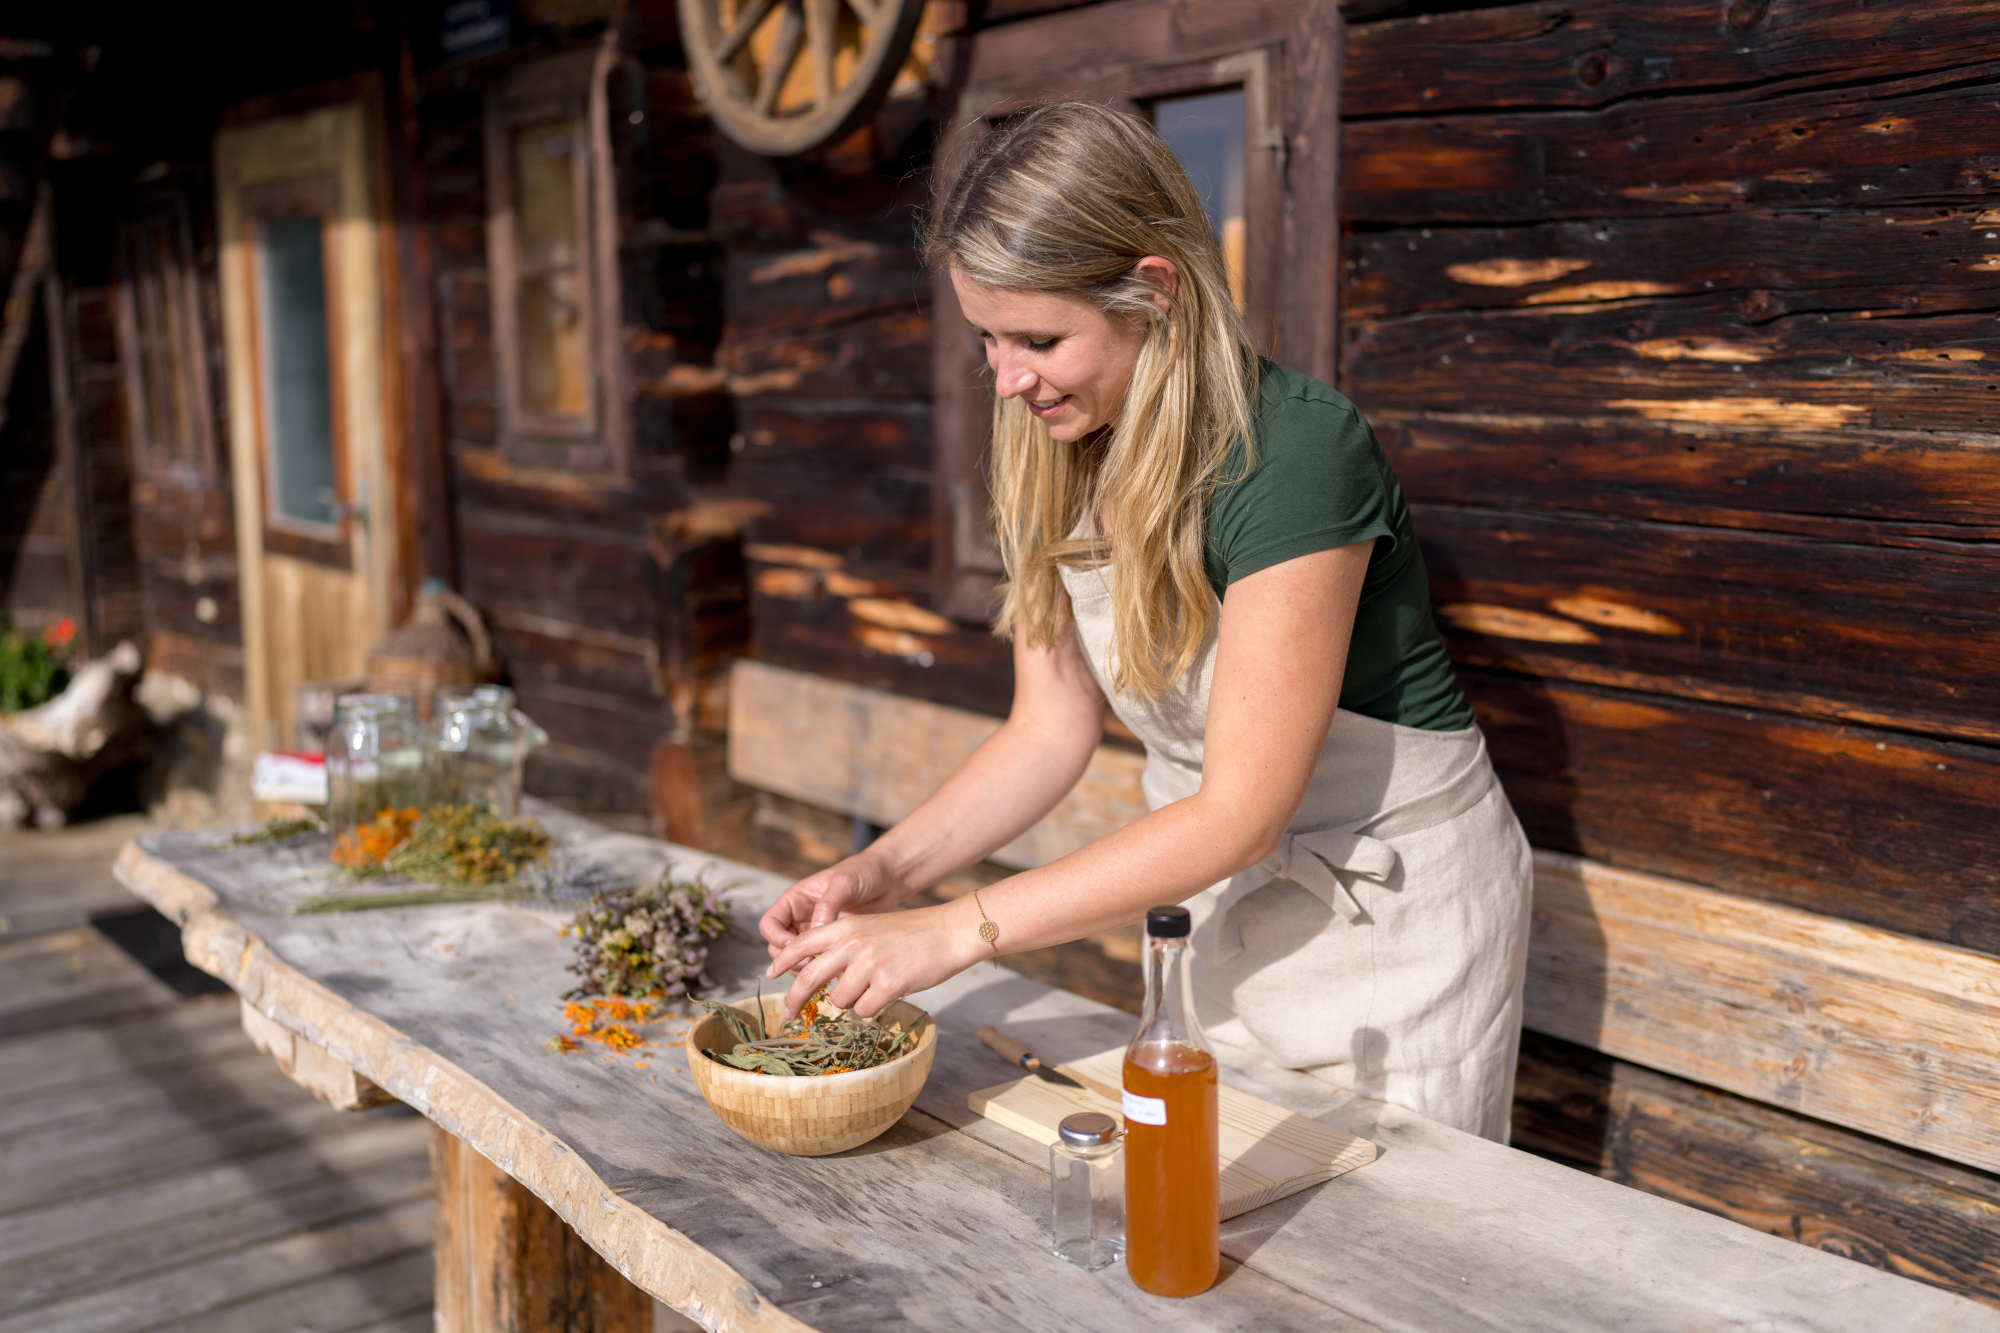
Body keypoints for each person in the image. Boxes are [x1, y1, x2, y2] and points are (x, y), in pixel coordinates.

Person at [758, 101, 1533, 1141]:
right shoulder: (1050, 447)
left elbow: (1238, 813)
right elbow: (1047, 729)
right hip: (1210, 907)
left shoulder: (1293, 456)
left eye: (1037, 338)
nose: (1005, 377)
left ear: (1153, 290)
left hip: (1389, 921)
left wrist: (956, 929)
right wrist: (883, 874)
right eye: (984, 336)